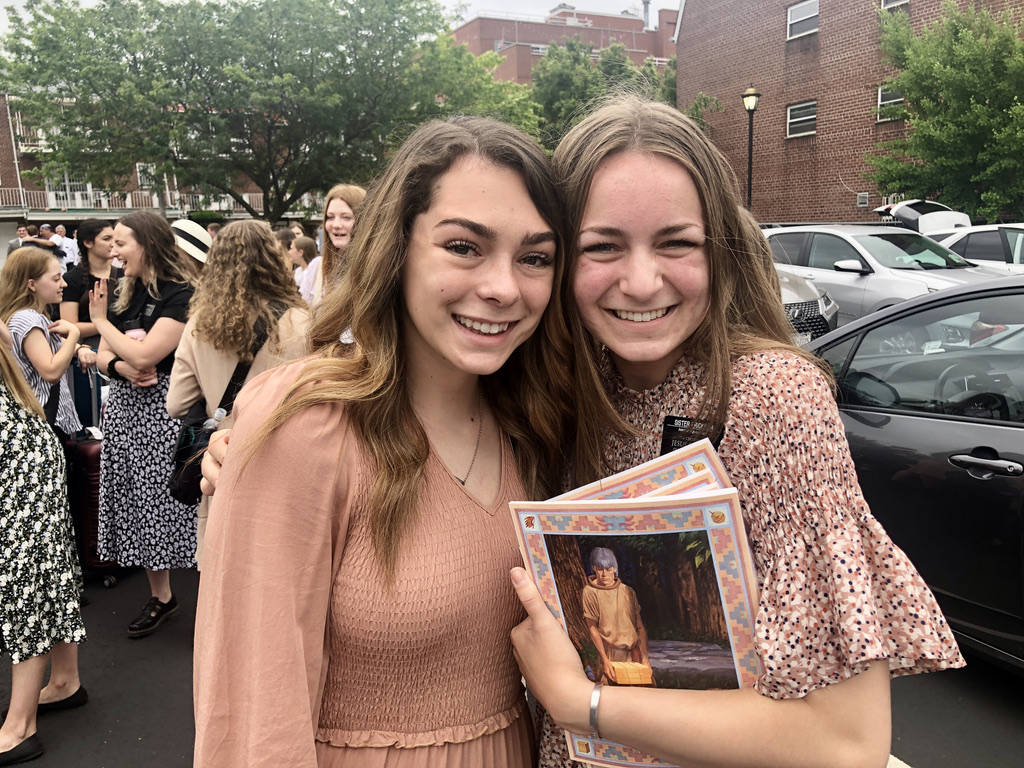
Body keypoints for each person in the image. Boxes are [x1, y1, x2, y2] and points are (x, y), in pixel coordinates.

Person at [509, 96, 965, 768]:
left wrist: (586, 705)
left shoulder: (774, 398)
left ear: (720, 249)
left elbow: (847, 744)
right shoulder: (558, 389)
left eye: (676, 243)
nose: (642, 282)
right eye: (602, 246)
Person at [192, 115, 612, 767]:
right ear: (398, 248)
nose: (503, 287)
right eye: (464, 247)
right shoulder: (308, 426)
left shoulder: (535, 424)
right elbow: (251, 720)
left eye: (534, 257)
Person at [166, 219, 309, 567]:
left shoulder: (200, 324)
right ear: (273, 259)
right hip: (290, 462)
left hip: (223, 459)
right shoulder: (304, 323)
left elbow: (177, 403)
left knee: (225, 569)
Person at [88, 211, 201, 639]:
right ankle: (162, 597)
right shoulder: (125, 291)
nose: (113, 252)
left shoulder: (181, 292)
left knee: (179, 500)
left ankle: (215, 598)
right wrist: (119, 367)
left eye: (120, 243)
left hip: (166, 412)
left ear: (148, 244)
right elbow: (106, 357)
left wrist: (103, 325)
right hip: (125, 411)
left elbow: (147, 354)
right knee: (140, 501)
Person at [0, 286, 88, 767]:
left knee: (26, 580)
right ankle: (64, 680)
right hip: (23, 447)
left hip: (19, 457)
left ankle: (20, 727)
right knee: (46, 568)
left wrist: (74, 334)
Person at [0, 247, 88, 439]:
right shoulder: (29, 319)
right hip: (42, 421)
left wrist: (78, 348)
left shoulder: (24, 317)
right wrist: (74, 334)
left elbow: (51, 343)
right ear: (32, 284)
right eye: (56, 279)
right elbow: (51, 371)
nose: (64, 284)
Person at [60, 219, 120, 426]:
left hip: (120, 350)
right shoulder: (72, 279)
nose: (113, 244)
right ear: (87, 243)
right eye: (106, 238)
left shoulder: (125, 276)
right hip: (88, 354)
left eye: (115, 238)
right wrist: (105, 324)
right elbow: (69, 325)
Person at [581, 547, 650, 687]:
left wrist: (645, 659)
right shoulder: (590, 592)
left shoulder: (627, 591)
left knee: (642, 695)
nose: (604, 574)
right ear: (594, 568)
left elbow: (640, 628)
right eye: (600, 569)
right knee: (611, 694)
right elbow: (592, 628)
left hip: (633, 655)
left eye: (608, 569)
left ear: (614, 568)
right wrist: (605, 660)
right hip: (610, 655)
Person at [311, 183, 366, 304]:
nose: (336, 225)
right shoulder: (317, 268)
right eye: (330, 217)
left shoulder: (377, 271)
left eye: (346, 217)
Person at [289, 235, 318, 300]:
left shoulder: (314, 273)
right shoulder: (297, 272)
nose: (289, 252)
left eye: (291, 249)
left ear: (300, 252)